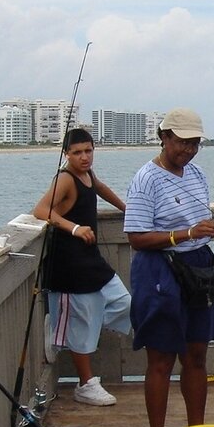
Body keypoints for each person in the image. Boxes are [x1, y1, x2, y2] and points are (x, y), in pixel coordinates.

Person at [124, 108, 214, 427]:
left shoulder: (198, 174)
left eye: (194, 143)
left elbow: (197, 219)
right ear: (164, 137)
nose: (188, 149)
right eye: (181, 141)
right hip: (158, 268)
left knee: (197, 355)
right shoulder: (145, 179)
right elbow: (137, 238)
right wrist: (186, 234)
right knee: (160, 360)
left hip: (196, 267)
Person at [33, 128, 132, 406]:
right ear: (67, 155)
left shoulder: (87, 174)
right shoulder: (64, 179)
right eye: (77, 152)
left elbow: (99, 189)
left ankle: (59, 328)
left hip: (90, 258)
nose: (84, 157)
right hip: (68, 260)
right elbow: (41, 210)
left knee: (123, 302)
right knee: (83, 322)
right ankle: (86, 384)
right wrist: (74, 228)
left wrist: (127, 208)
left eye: (88, 150)